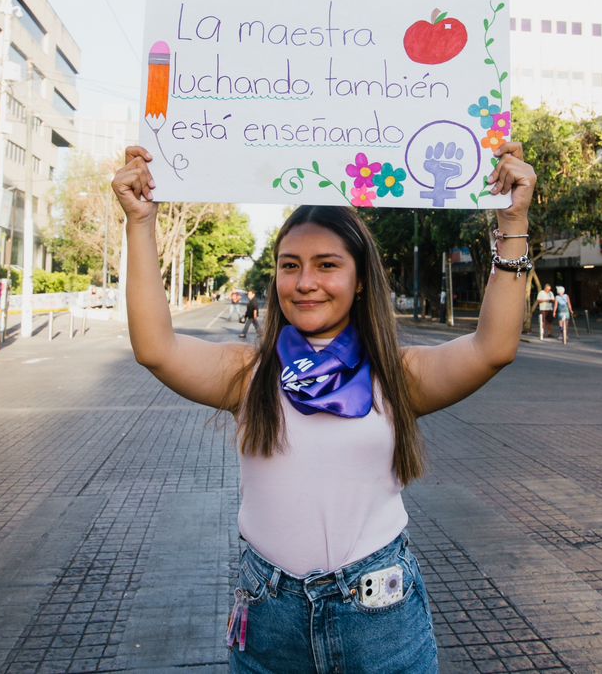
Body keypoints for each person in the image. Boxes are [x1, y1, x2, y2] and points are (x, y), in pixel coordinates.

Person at [111, 140, 535, 670]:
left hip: (379, 616)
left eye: (327, 264)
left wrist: (512, 220)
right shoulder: (249, 375)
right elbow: (156, 349)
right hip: (268, 615)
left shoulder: (398, 375)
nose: (305, 282)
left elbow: (493, 348)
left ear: (359, 281)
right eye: (290, 265)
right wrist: (140, 223)